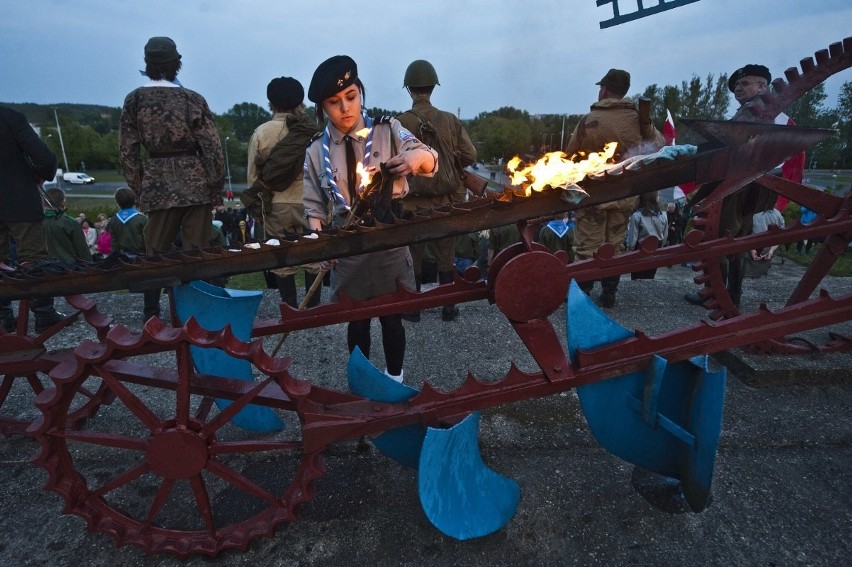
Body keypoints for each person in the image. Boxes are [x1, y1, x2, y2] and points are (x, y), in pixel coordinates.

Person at [302, 55, 437, 383]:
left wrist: (416, 158)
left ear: (361, 92)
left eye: (351, 96)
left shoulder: (387, 128)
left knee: (392, 319)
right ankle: (361, 381)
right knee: (356, 320)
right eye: (334, 103)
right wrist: (321, 246)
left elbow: (429, 159)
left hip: (389, 239)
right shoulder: (315, 151)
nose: (345, 108)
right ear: (323, 108)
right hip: (349, 246)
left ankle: (395, 381)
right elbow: (314, 208)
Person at [565, 68, 665, 307]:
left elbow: (568, 155)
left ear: (605, 90)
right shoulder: (638, 119)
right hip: (624, 195)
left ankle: (582, 298)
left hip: (592, 197)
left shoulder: (588, 120)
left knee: (586, 248)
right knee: (615, 245)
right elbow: (660, 145)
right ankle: (609, 294)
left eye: (601, 87)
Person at [119, 36, 225, 256]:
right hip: (196, 185)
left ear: (147, 63)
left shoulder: (134, 100)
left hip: (157, 184)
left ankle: (155, 291)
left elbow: (127, 153)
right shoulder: (193, 99)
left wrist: (140, 189)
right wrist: (215, 188)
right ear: (176, 63)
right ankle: (195, 291)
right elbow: (213, 149)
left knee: (155, 257)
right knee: (197, 257)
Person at [684, 64, 777, 308]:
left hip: (737, 185)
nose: (738, 87)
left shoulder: (753, 111)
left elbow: (733, 143)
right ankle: (732, 295)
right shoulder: (758, 110)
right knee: (738, 242)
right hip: (750, 185)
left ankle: (718, 297)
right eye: (737, 84)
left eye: (745, 83)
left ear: (762, 86)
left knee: (721, 238)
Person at [397, 60, 477, 322]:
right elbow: (470, 154)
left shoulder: (399, 122)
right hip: (445, 202)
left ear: (409, 88)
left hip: (412, 203)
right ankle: (448, 308)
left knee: (413, 257)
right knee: (446, 255)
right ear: (432, 87)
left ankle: (413, 309)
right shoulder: (449, 121)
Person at [242, 76, 322, 308]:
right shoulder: (311, 131)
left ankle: (289, 307)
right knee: (314, 258)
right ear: (300, 102)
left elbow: (252, 177)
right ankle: (312, 309)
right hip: (308, 202)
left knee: (282, 260)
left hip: (275, 205)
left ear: (271, 103)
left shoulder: (261, 133)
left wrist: (258, 208)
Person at [0, 105, 65, 334]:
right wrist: (41, 173)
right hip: (18, 197)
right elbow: (44, 158)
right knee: (34, 259)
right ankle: (44, 314)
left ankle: (3, 317)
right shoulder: (10, 118)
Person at [107, 187, 161, 322]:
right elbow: (148, 241)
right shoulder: (142, 219)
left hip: (124, 258)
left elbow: (114, 244)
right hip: (142, 257)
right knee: (154, 282)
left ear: (117, 202)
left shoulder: (114, 221)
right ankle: (151, 313)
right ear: (135, 200)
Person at [42, 188, 93, 264]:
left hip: (42, 269)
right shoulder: (70, 223)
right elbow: (83, 251)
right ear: (63, 203)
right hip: (69, 270)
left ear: (44, 202)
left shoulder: (37, 223)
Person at [626, 191, 668, 279]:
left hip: (640, 250)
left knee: (637, 279)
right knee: (650, 278)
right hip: (656, 249)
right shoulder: (663, 216)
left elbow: (632, 239)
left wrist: (630, 251)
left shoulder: (637, 216)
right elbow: (664, 237)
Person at [743, 207, 785, 278]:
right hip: (752, 249)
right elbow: (745, 233)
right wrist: (752, 249)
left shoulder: (777, 215)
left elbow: (780, 236)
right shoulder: (753, 214)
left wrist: (771, 250)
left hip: (764, 251)